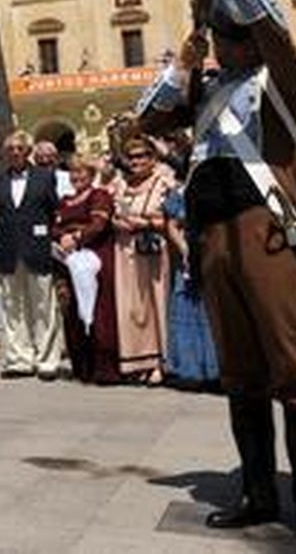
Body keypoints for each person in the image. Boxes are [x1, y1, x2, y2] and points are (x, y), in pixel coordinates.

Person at [134, 0, 296, 553]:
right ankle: (256, 491)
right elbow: (146, 120)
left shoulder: (281, 82)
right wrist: (181, 66)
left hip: (268, 230)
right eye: (218, 38)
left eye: (226, 37)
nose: (222, 47)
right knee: (243, 373)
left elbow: (280, 36)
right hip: (216, 240)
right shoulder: (205, 93)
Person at [0, 130, 64, 380]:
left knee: (44, 304)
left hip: (37, 247)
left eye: (19, 148)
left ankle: (47, 359)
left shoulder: (44, 178)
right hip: (10, 248)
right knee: (13, 305)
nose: (15, 153)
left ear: (28, 151)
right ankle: (19, 358)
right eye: (10, 149)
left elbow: (54, 211)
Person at [52, 154, 119, 384]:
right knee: (72, 311)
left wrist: (77, 237)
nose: (77, 176)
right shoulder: (65, 200)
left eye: (82, 172)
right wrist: (62, 238)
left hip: (95, 258)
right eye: (73, 172)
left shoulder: (99, 196)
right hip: (68, 260)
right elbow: (55, 227)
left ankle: (103, 368)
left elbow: (99, 225)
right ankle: (82, 366)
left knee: (97, 312)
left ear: (91, 175)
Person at [112, 136, 174, 384]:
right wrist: (116, 222)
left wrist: (147, 222)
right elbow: (112, 212)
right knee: (132, 306)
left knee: (158, 303)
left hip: (154, 249)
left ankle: (161, 362)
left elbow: (173, 217)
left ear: (152, 158)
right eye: (132, 157)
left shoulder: (164, 183)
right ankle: (139, 361)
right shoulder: (120, 184)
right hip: (125, 250)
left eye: (142, 156)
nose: (137, 161)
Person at [162, 177, 220, 390]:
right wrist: (184, 248)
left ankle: (217, 372)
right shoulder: (182, 192)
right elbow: (172, 225)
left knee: (214, 313)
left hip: (214, 255)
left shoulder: (221, 192)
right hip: (189, 258)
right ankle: (189, 370)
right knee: (187, 309)